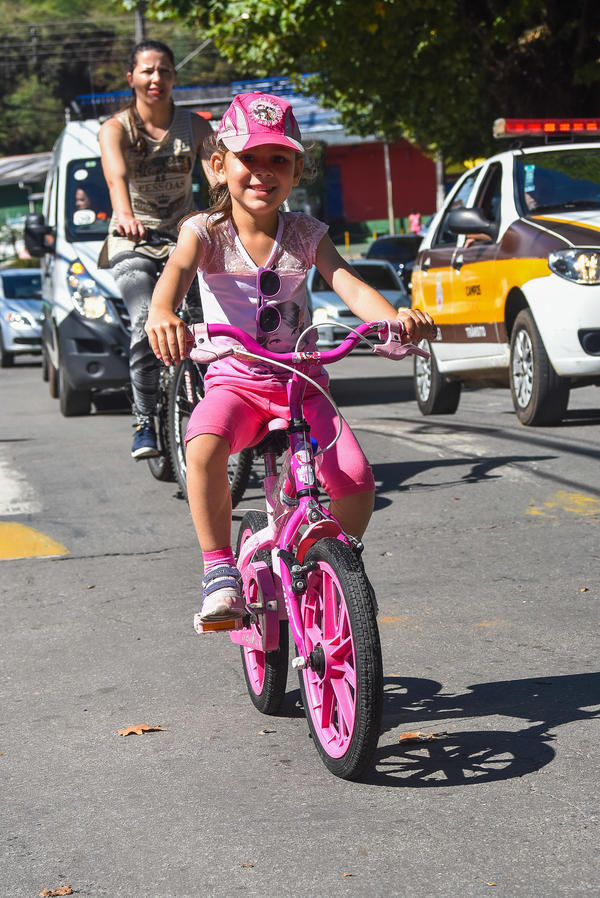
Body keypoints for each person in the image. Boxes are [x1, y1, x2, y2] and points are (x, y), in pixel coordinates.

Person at [145, 92, 436, 628]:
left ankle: (334, 564)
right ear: (218, 166)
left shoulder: (306, 234)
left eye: (278, 159)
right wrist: (162, 313)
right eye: (247, 158)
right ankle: (219, 569)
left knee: (355, 480)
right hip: (235, 381)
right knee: (203, 445)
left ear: (297, 169)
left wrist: (394, 318)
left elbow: (346, 281)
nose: (262, 172)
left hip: (303, 383)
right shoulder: (204, 232)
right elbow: (173, 281)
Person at [98, 38, 213, 459]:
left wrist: (225, 217)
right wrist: (125, 214)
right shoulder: (116, 129)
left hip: (185, 239)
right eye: (147, 71)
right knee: (147, 318)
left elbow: (219, 179)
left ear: (174, 78)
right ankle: (145, 420)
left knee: (215, 321)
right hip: (136, 241)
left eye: (164, 70)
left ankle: (222, 406)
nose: (156, 78)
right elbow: (116, 178)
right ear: (131, 79)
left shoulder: (196, 127)